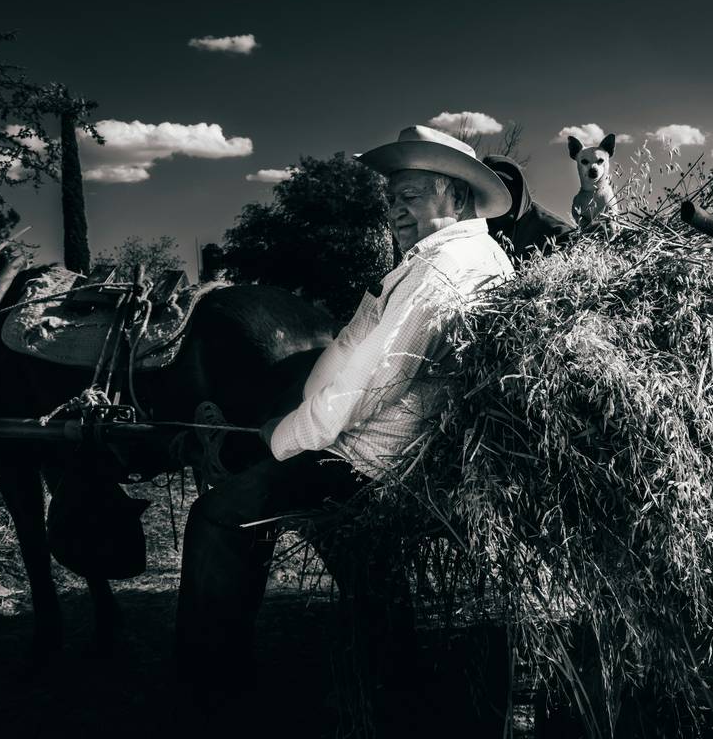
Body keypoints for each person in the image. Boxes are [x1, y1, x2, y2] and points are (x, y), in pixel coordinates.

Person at [174, 126, 515, 710]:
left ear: (455, 198)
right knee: (257, 469)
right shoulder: (441, 259)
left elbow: (371, 383)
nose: (394, 212)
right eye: (390, 200)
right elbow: (354, 351)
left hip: (371, 461)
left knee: (218, 513)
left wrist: (283, 436)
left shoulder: (443, 269)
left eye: (409, 196)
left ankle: (208, 681)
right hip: (384, 445)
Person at [483, 154, 574, 259]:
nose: (501, 197)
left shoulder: (554, 231)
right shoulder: (480, 226)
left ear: (519, 189)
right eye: (491, 190)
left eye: (507, 188)